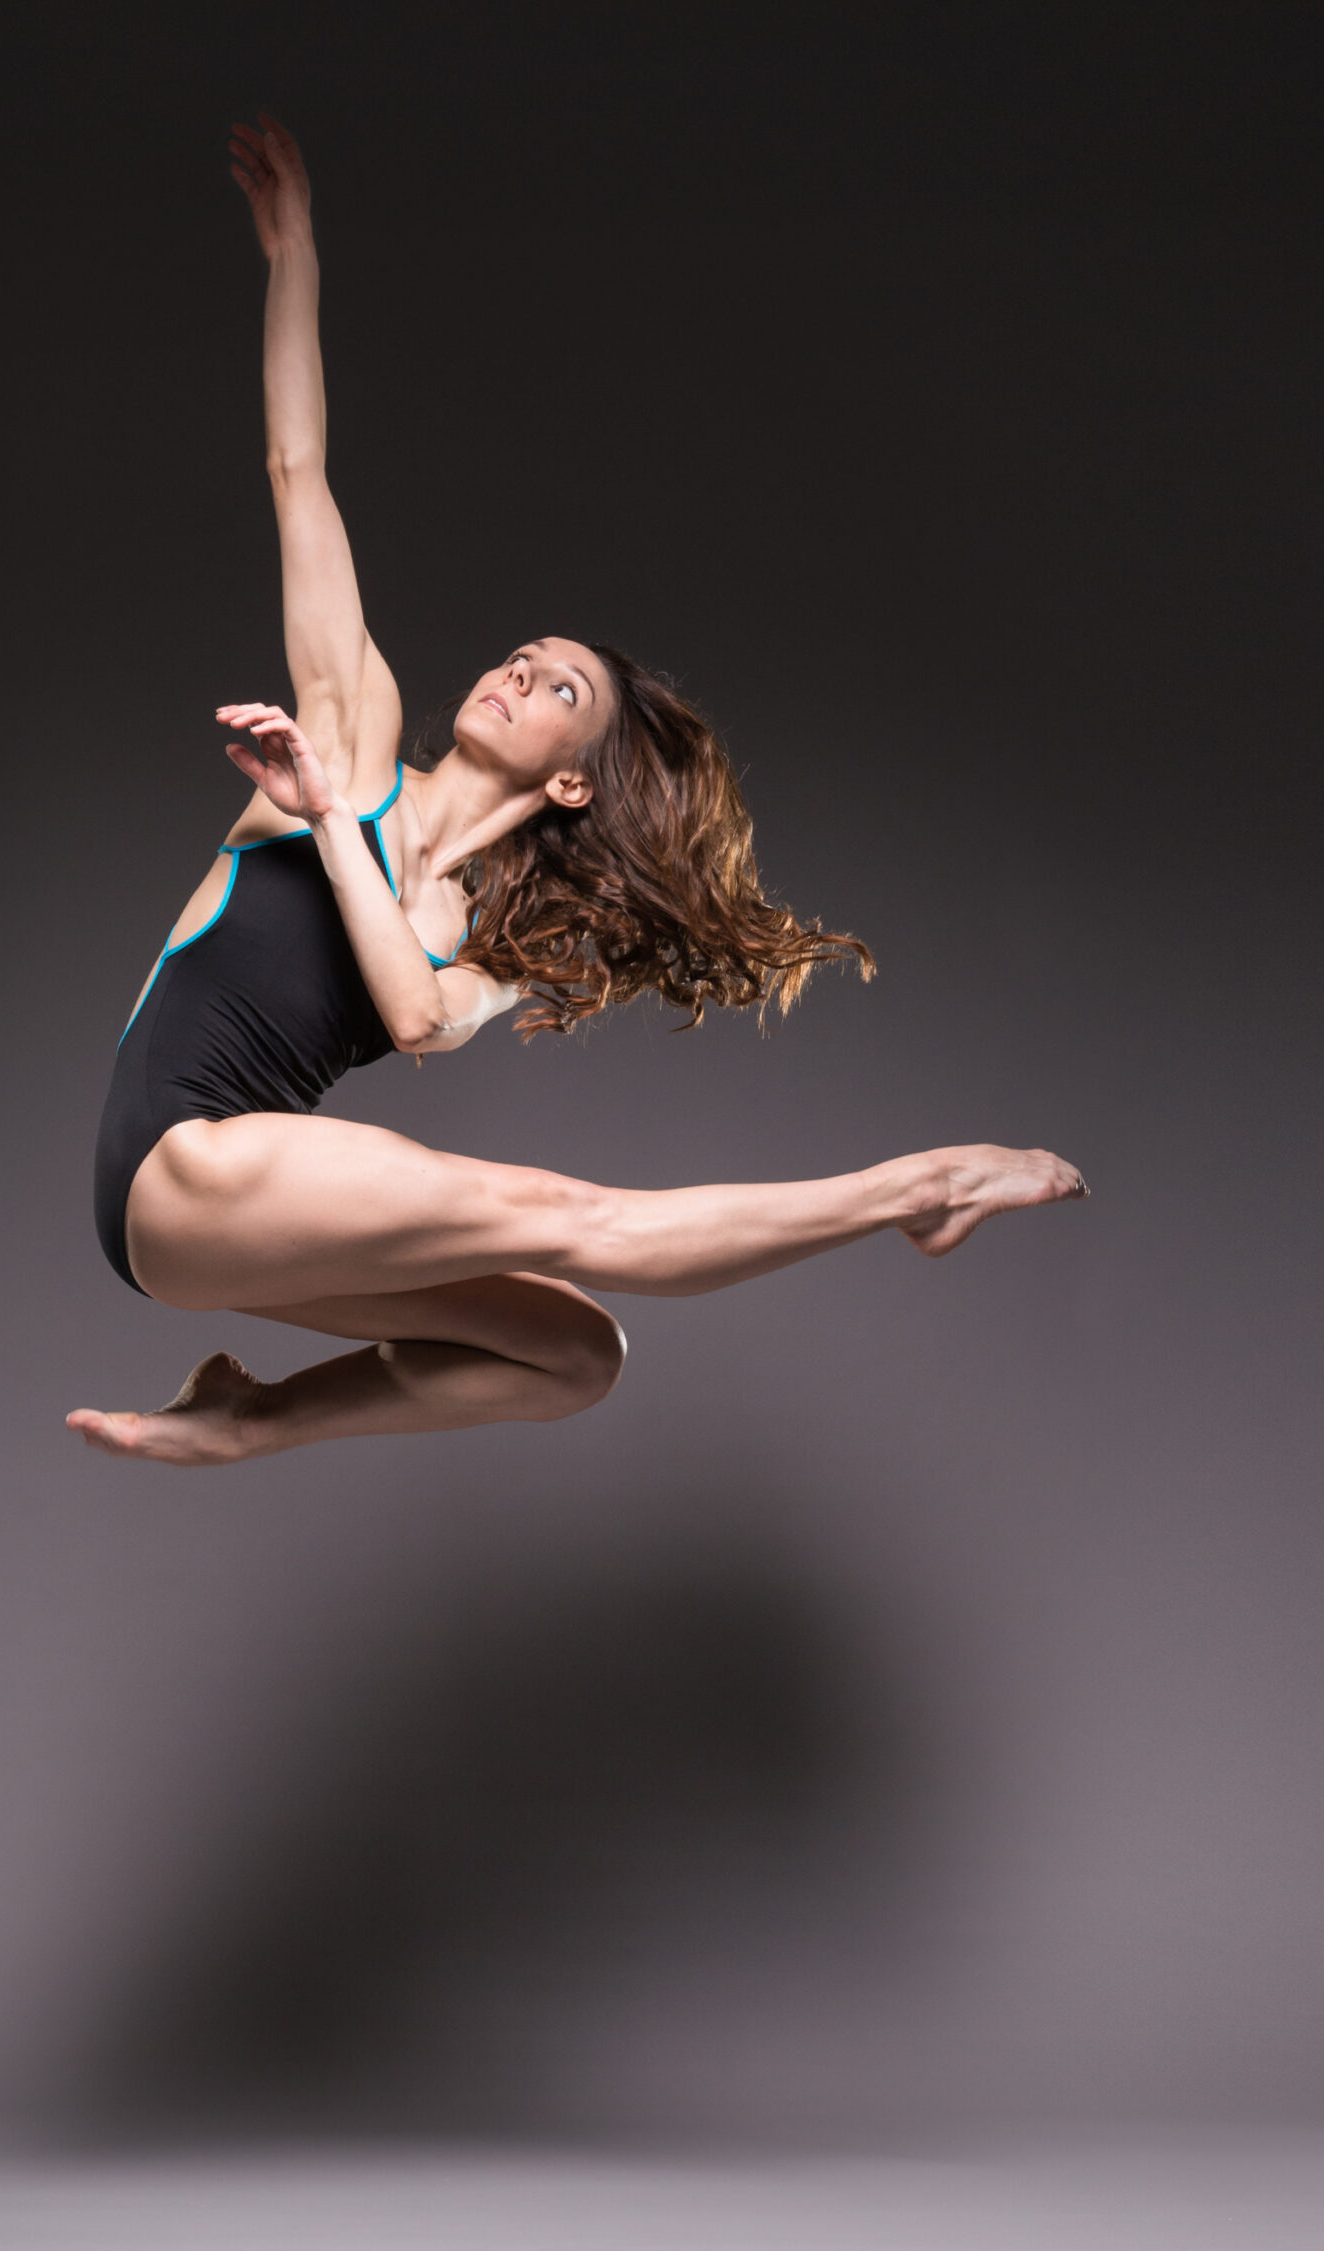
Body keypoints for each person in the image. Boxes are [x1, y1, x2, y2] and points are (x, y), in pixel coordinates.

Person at [71, 116, 1085, 1468]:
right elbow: (298, 473)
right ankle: (917, 1186)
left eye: (557, 689)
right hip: (177, 1161)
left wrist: (329, 832)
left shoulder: (494, 948)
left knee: (571, 1350)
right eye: (519, 657)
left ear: (568, 780)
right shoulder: (353, 745)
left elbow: (415, 1008)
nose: (513, 674)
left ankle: (249, 1419)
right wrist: (295, 253)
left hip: (232, 1235)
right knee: (575, 1217)